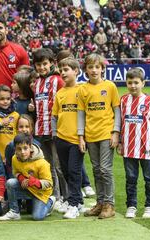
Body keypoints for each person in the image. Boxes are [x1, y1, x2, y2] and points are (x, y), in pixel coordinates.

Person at [77, 53, 120, 219]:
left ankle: (109, 205)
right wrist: (81, 136)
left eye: (97, 67)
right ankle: (100, 203)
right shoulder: (83, 89)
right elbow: (81, 114)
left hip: (106, 133)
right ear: (85, 70)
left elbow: (117, 110)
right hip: (90, 135)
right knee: (96, 170)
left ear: (102, 68)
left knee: (105, 169)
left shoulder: (110, 86)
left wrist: (116, 132)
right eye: (90, 67)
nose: (94, 70)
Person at [117, 68, 150, 218]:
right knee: (131, 179)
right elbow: (120, 123)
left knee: (149, 179)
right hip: (129, 149)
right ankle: (131, 206)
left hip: (146, 148)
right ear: (126, 83)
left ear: (143, 83)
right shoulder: (123, 100)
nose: (133, 86)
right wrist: (120, 142)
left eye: (136, 82)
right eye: (130, 83)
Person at [52, 57, 85, 219]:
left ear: (76, 71)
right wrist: (55, 135)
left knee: (74, 171)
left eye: (66, 70)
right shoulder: (60, 93)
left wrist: (83, 136)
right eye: (61, 70)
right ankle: (78, 201)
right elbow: (55, 116)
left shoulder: (82, 90)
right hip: (61, 139)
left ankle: (73, 204)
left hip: (77, 139)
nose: (63, 73)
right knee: (65, 171)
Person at [31, 48, 66, 203]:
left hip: (56, 130)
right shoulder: (37, 83)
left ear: (52, 63)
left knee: (59, 166)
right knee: (49, 166)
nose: (42, 67)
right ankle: (56, 196)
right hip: (41, 129)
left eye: (45, 64)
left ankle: (68, 197)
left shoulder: (58, 81)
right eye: (38, 65)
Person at [0, 133, 55, 221]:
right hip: (27, 188)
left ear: (30, 147)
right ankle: (14, 212)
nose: (22, 152)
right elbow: (15, 172)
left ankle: (50, 201)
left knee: (37, 217)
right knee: (10, 183)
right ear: (15, 149)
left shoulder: (42, 163)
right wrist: (20, 177)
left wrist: (35, 182)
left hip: (40, 192)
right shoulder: (14, 158)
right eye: (19, 149)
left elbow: (49, 183)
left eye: (25, 148)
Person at [0, 15, 30, 88]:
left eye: (0, 28)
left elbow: (26, 76)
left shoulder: (19, 50)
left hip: (15, 96)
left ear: (6, 30)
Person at [0, 85, 20, 162]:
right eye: (2, 99)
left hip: (12, 157)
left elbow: (18, 135)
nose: (5, 101)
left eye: (8, 99)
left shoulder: (16, 115)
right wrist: (0, 124)